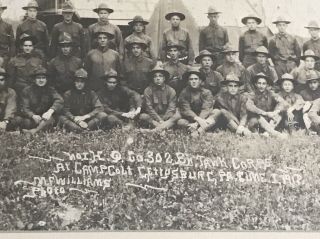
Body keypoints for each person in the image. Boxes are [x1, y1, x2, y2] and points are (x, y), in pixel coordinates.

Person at [59, 68, 107, 133]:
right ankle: (86, 131)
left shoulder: (91, 93)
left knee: (103, 115)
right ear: (74, 82)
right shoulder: (68, 94)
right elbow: (65, 110)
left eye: (82, 82)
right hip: (74, 120)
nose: (79, 84)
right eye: (77, 81)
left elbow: (99, 108)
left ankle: (82, 131)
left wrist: (86, 116)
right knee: (61, 118)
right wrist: (76, 120)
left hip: (88, 120)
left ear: (85, 83)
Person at [19, 66, 64, 135]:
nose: (41, 80)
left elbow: (59, 100)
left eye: (43, 78)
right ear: (34, 79)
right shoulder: (27, 90)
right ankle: (41, 130)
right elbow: (24, 107)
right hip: (33, 118)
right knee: (26, 122)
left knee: (51, 119)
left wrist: (49, 112)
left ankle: (33, 132)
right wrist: (33, 115)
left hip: (46, 118)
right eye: (38, 78)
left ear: (46, 79)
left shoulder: (51, 90)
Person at [177, 67, 220, 137]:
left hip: (204, 118)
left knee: (217, 111)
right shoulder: (184, 93)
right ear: (188, 81)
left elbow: (206, 109)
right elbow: (186, 109)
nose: (193, 81)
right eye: (191, 79)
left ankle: (198, 131)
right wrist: (197, 119)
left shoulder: (207, 92)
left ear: (200, 81)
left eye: (196, 79)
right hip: (192, 119)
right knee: (180, 122)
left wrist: (197, 123)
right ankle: (204, 130)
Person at [246, 73, 288, 138]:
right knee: (257, 117)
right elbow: (249, 106)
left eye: (263, 84)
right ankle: (275, 134)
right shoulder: (252, 95)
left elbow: (283, 103)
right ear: (255, 84)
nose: (261, 86)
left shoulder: (271, 93)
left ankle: (266, 133)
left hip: (269, 121)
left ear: (267, 85)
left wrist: (275, 112)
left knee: (280, 113)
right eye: (259, 83)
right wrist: (265, 113)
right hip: (256, 121)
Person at [139, 65, 179, 131]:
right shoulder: (148, 90)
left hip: (167, 117)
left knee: (177, 116)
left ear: (164, 78)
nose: (158, 78)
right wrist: (160, 120)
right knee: (143, 116)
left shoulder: (171, 90)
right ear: (152, 79)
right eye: (155, 76)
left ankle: (153, 130)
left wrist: (164, 119)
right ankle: (164, 127)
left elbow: (171, 108)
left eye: (160, 76)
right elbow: (149, 108)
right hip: (154, 118)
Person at [0, 2, 15, 69]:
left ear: (2, 11)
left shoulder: (8, 26)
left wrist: (11, 58)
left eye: (0, 9)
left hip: (4, 58)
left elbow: (12, 44)